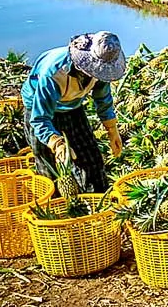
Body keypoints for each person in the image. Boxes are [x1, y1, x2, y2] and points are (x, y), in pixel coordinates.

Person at [22, 31, 126, 194]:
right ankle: (58, 206)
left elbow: (102, 96)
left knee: (91, 159)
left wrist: (112, 129)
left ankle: (97, 200)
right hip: (38, 107)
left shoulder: (101, 69)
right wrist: (56, 143)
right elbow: (40, 119)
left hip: (72, 106)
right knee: (48, 165)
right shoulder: (54, 74)